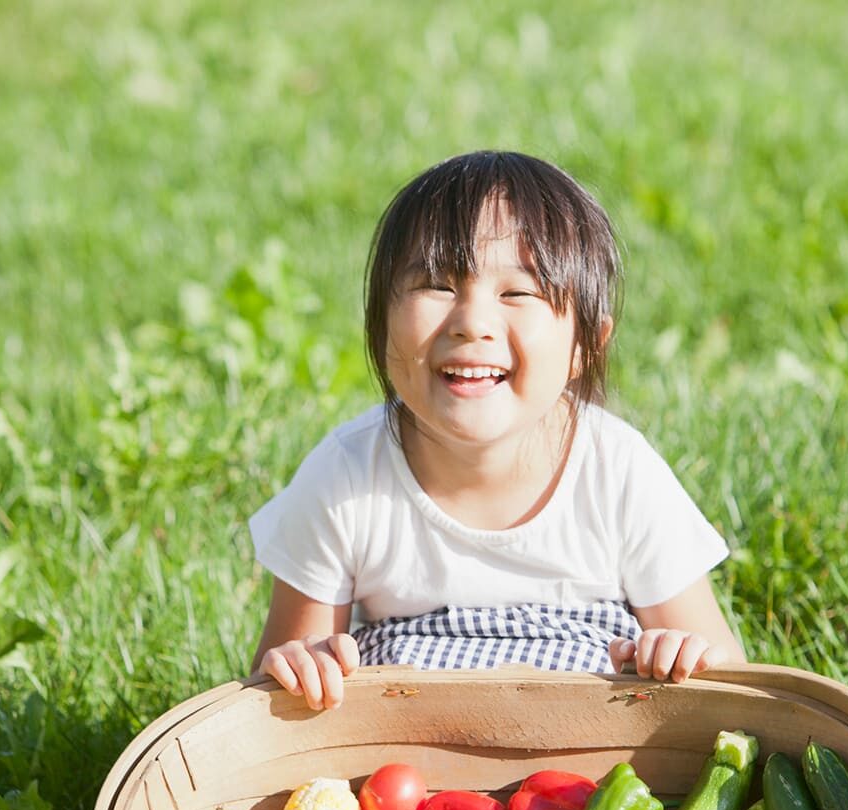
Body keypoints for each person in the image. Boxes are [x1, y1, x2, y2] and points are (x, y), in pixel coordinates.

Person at [249, 151, 745, 709]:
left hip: (592, 760)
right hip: (404, 762)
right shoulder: (344, 478)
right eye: (436, 284)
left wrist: (681, 654)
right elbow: (279, 697)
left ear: (586, 345)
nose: (472, 324)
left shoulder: (618, 471)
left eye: (517, 293)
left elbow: (728, 677)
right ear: (380, 322)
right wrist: (301, 666)